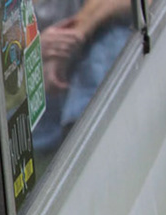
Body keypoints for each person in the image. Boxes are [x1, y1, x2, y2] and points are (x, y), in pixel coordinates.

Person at [32, 0, 136, 157]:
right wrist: (34, 49)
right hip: (43, 77)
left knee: (112, 35)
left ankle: (90, 133)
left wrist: (72, 38)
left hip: (92, 60)